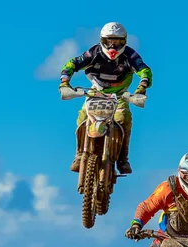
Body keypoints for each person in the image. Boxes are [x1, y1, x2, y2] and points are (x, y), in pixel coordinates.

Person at [58, 22, 153, 175]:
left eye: (117, 42)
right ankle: (79, 154)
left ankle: (123, 158)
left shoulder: (130, 55)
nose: (112, 46)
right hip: (95, 93)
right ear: (102, 40)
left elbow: (144, 70)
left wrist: (142, 87)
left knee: (123, 118)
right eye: (108, 41)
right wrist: (64, 81)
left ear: (124, 41)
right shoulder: (93, 53)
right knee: (82, 117)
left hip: (120, 95)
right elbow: (73, 63)